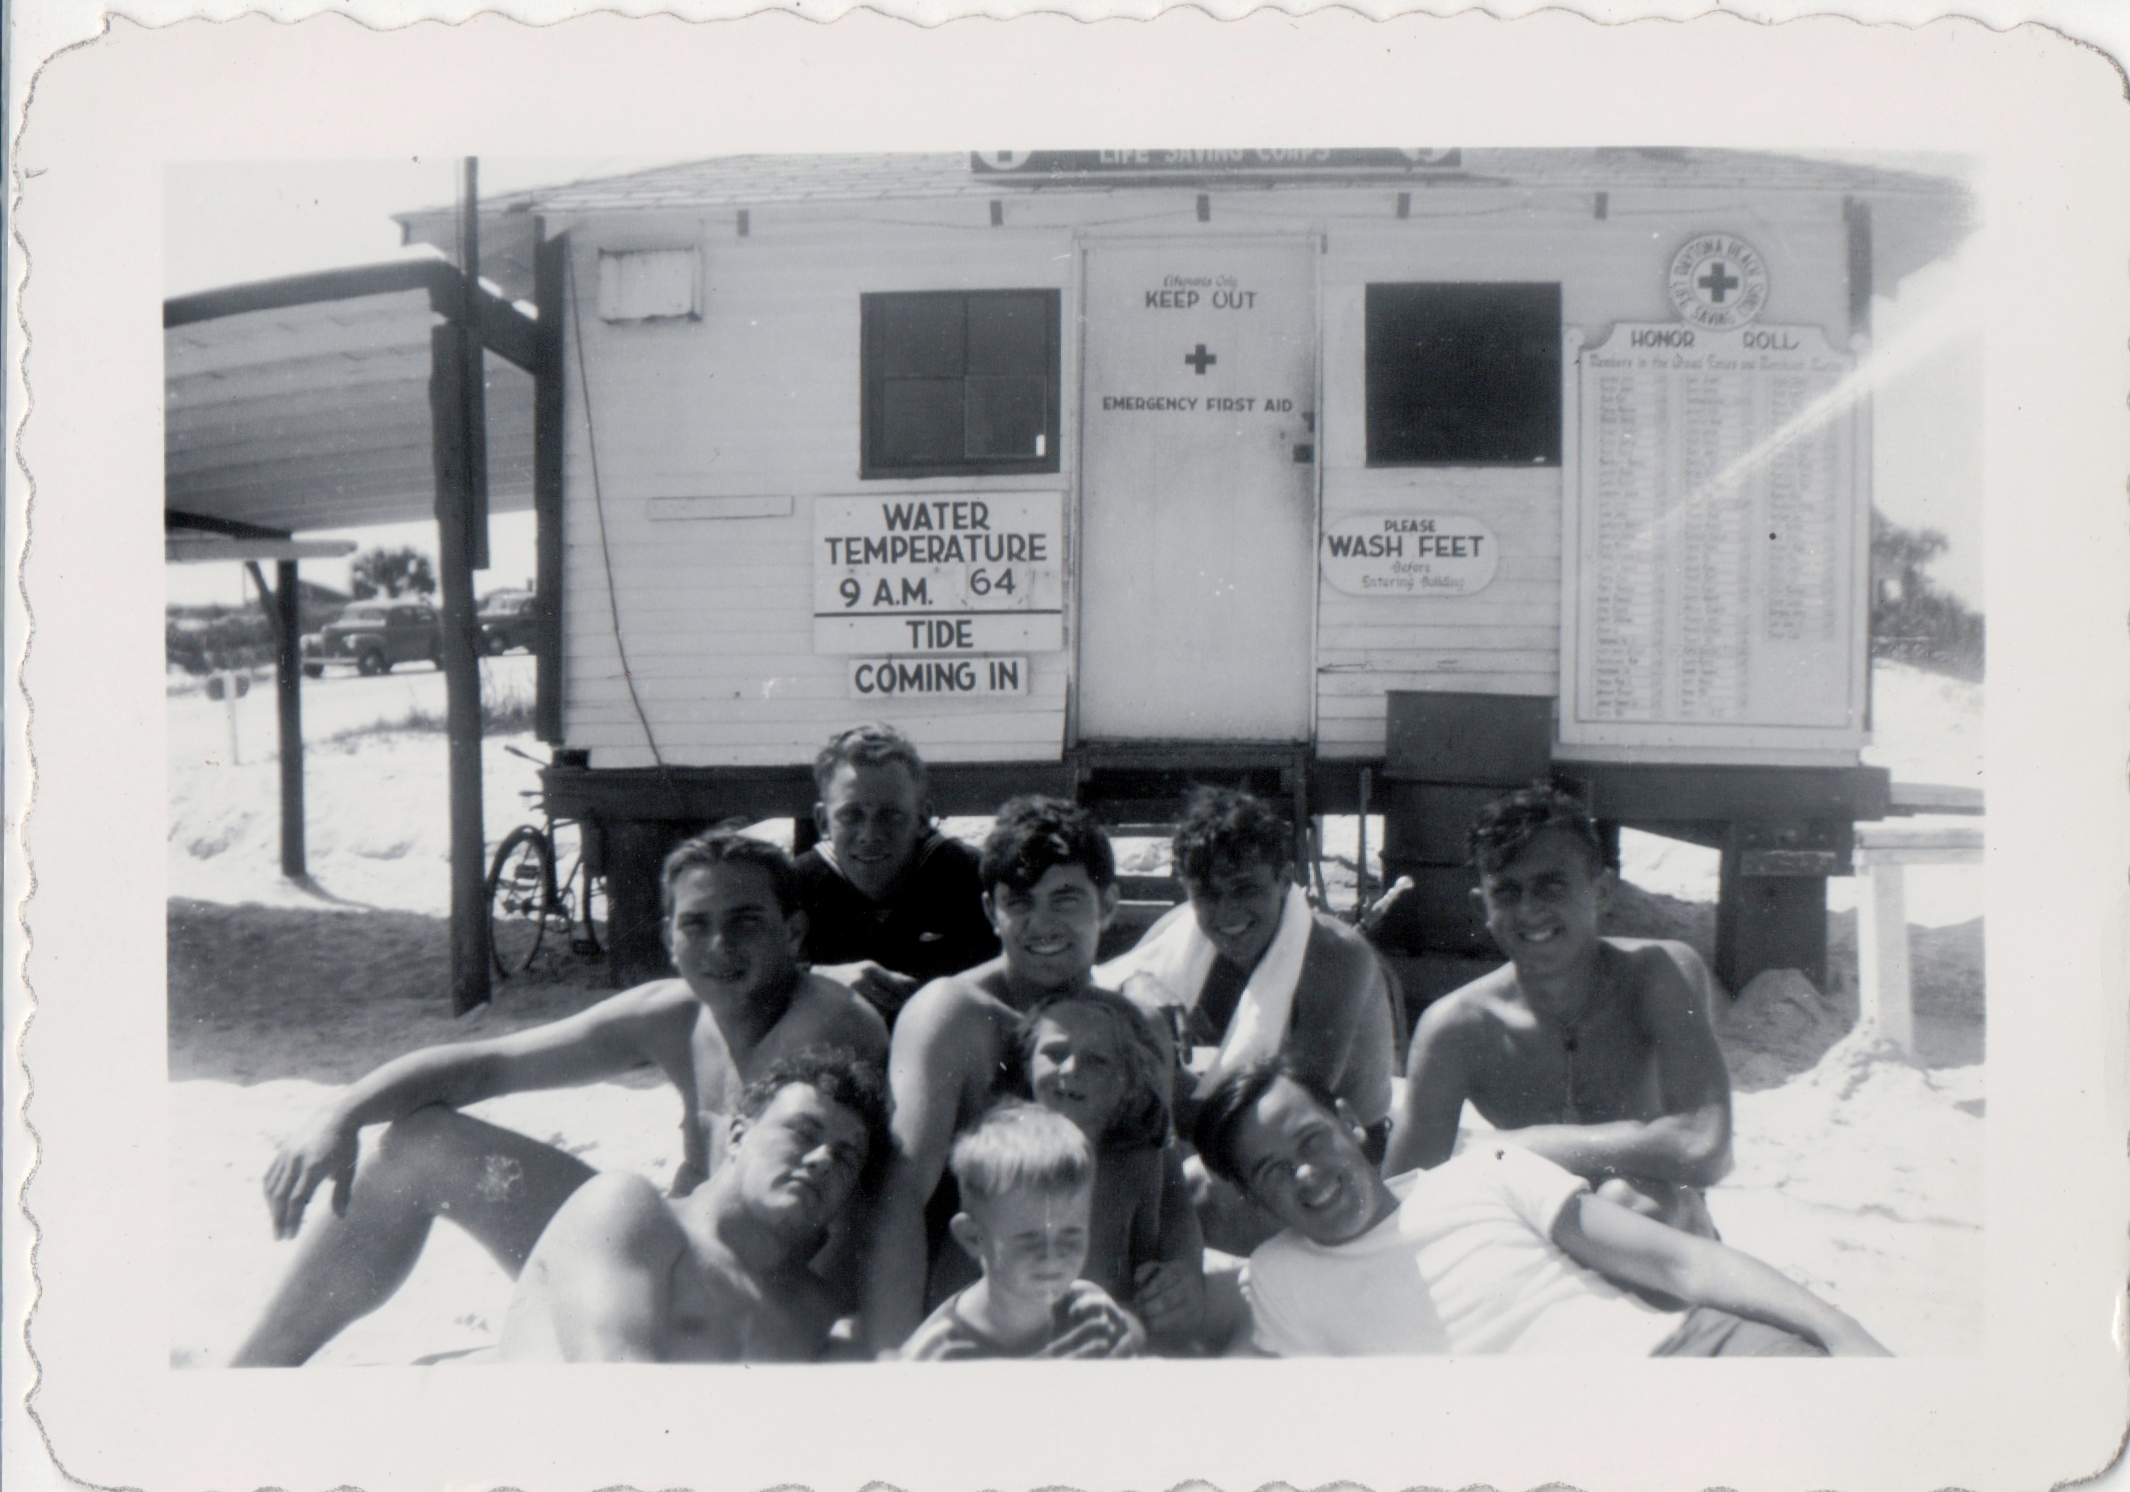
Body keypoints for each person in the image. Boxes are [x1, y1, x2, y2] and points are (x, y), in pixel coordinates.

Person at [231, 828, 888, 1366]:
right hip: (655, 1252)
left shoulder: (825, 1027)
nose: (719, 947)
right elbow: (487, 1065)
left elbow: (841, 1222)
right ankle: (253, 1373)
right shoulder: (674, 1013)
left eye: (746, 923)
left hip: (763, 1300)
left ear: (795, 934)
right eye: (697, 925)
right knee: (417, 1146)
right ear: (668, 938)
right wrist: (339, 1114)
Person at [1196, 1060, 1889, 1358]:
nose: (1308, 1175)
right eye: (1273, 1171)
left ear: (1349, 1121)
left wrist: (1842, 1329)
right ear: (1254, 1197)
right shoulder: (1279, 1275)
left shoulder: (1480, 1175)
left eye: (1311, 1138)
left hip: (1677, 1355)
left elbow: (1683, 1262)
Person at [1382, 786, 1732, 1234]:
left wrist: (1504, 1148)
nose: (1529, 911)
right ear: (1482, 909)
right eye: (1507, 892)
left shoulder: (1659, 973)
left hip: (1665, 1230)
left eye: (1551, 886)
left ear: (1603, 891)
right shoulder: (1457, 1027)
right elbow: (1404, 1194)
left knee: (1629, 1201)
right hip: (1534, 1237)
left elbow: (1705, 1149)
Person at [859, 795, 1121, 1352]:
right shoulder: (954, 1017)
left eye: (1066, 898)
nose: (1042, 923)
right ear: (989, 909)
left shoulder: (1122, 1022)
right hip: (970, 1334)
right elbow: (898, 1194)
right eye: (1019, 902)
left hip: (1093, 1324)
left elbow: (1160, 1167)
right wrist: (890, 1361)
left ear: (1110, 905)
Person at [1100, 787, 1398, 1251]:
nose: (1227, 913)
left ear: (1284, 879)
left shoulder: (1336, 957)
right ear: (1187, 890)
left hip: (1332, 1155)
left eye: (1245, 889)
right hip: (1232, 1134)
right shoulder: (1176, 935)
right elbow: (1099, 1000)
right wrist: (1135, 989)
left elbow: (1282, 1122)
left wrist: (1159, 1074)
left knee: (1176, 1203)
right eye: (1208, 894)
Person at [498, 1050, 891, 1362]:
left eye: (846, 1156)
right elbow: (613, 1393)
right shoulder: (626, 1211)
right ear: (737, 1135)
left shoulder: (813, 1310)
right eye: (804, 1133)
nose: (823, 1159)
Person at [999, 987, 1205, 1348]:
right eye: (1055, 1053)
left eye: (1096, 1060)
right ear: (1027, 1065)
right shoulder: (998, 1161)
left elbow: (1144, 1272)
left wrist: (1160, 1301)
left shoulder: (1138, 1165)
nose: (1072, 1069)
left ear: (1126, 1084)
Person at [900, 1101, 1144, 1360]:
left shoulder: (1096, 1316)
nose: (1053, 1256)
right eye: (1030, 1239)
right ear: (973, 1237)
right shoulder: (937, 1355)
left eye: (1071, 1234)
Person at [797, 723, 1000, 1025]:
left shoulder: (973, 877)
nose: (869, 834)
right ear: (822, 821)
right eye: (851, 815)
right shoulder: (789, 886)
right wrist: (819, 980)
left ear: (923, 818)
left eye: (890, 816)